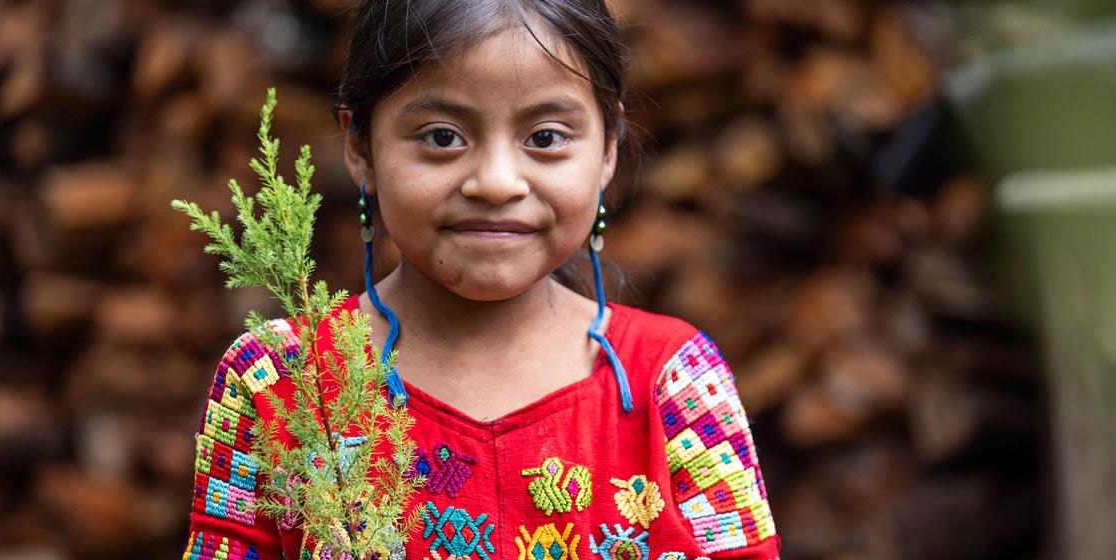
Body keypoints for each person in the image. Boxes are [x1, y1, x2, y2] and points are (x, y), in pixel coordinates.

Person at [182, 1, 780, 558]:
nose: (496, 182)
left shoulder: (672, 384)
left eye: (545, 138)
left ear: (607, 151)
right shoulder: (282, 381)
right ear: (361, 147)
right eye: (443, 137)